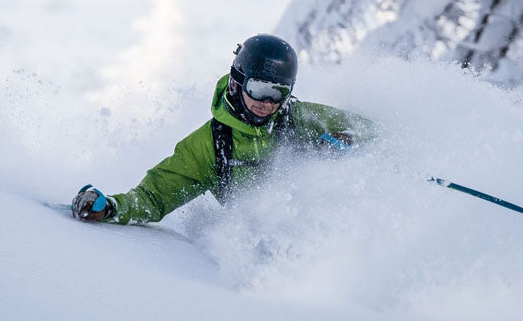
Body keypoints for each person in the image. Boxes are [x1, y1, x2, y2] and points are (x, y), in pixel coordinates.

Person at [72, 33, 376, 224]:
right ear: (237, 81)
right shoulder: (210, 145)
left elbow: (376, 133)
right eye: (258, 89)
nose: (266, 103)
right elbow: (155, 197)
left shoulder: (297, 117)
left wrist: (348, 141)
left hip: (326, 224)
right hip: (261, 244)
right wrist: (112, 208)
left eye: (278, 92)